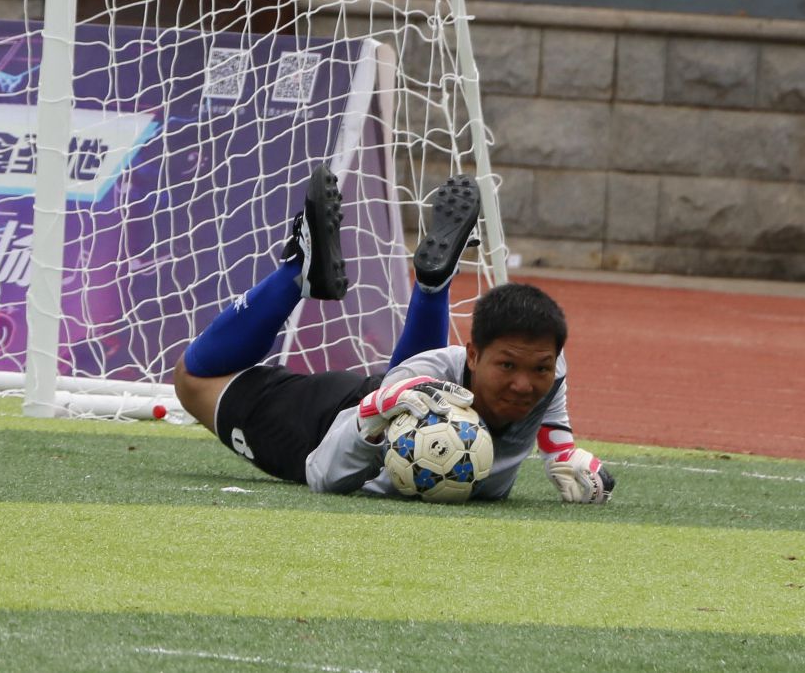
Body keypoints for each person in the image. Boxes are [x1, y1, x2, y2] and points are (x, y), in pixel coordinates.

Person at [172, 169, 615, 504]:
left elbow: (551, 400)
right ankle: (297, 271)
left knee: (417, 386)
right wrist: (371, 415)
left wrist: (562, 455)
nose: (524, 384)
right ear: (474, 355)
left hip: (404, 390)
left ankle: (426, 289)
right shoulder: (432, 374)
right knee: (191, 379)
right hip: (328, 424)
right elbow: (321, 475)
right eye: (507, 366)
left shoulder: (548, 368)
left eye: (537, 368)